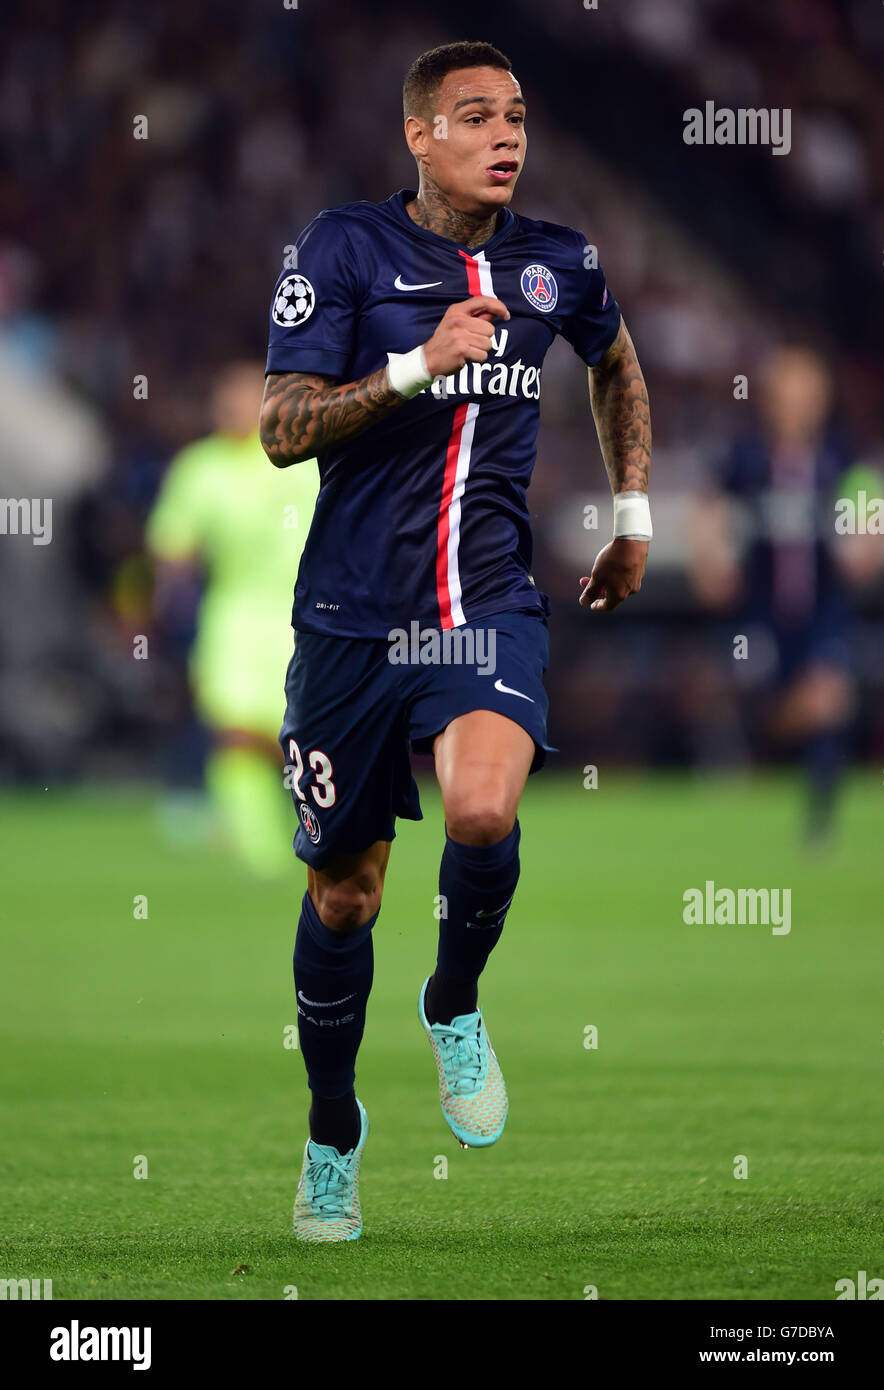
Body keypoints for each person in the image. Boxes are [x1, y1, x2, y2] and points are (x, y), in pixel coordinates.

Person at [260, 41, 652, 1241]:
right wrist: (411, 364)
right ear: (418, 136)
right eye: (475, 115)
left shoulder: (557, 263)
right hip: (346, 627)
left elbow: (614, 361)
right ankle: (333, 1132)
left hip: (482, 606)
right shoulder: (340, 248)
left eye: (518, 116)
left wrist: (631, 512)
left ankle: (453, 999)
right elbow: (280, 427)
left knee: (484, 811)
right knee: (345, 896)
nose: (505, 135)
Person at [690, 344, 883, 842]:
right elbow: (709, 504)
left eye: (808, 394)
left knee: (829, 698)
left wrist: (865, 546)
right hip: (760, 610)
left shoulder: (841, 457)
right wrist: (710, 561)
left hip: (823, 608)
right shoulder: (747, 455)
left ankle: (819, 822)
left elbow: (869, 509)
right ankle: (758, 748)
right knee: (766, 708)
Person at [147, 360, 319, 877]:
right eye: (231, 397)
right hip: (235, 618)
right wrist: (159, 612)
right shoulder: (201, 468)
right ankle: (259, 851)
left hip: (307, 616)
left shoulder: (306, 457)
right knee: (236, 729)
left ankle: (313, 829)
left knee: (300, 735)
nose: (240, 407)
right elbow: (172, 548)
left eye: (252, 396)